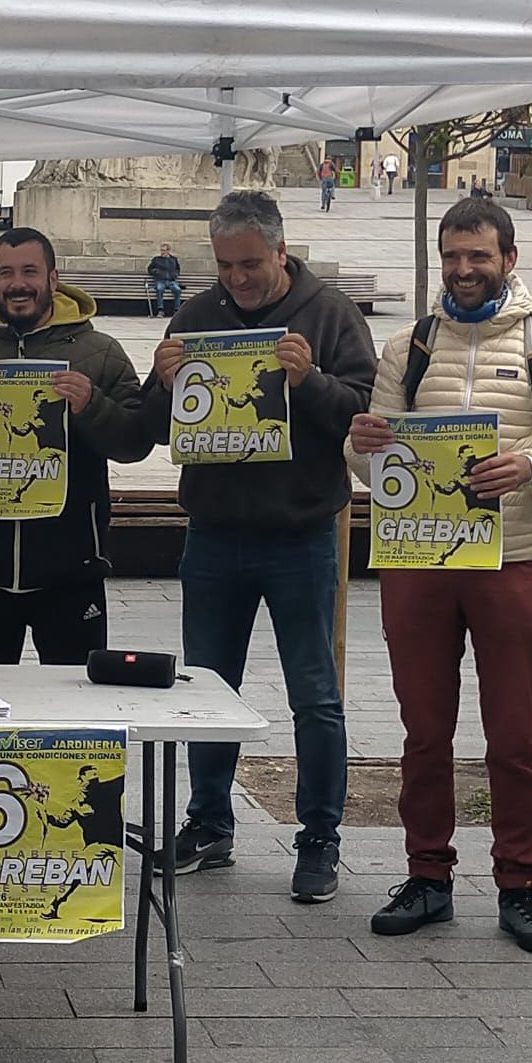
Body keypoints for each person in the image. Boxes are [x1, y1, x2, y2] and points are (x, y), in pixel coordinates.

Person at [346, 195, 532, 954]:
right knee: (424, 733)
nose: (463, 269)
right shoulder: (409, 347)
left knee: (514, 738)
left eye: (478, 255)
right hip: (421, 558)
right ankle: (428, 876)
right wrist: (361, 443)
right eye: (452, 255)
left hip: (512, 561)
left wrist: (529, 467)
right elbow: (368, 463)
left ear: (508, 260)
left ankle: (520, 884)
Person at [143, 191, 377, 900]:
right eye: (224, 267)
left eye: (250, 264)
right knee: (207, 692)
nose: (238, 279)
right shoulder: (195, 314)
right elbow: (157, 430)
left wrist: (311, 381)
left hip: (301, 532)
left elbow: (366, 416)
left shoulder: (330, 313)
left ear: (282, 250)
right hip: (213, 533)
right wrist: (162, 384)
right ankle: (210, 824)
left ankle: (319, 839)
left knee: (315, 694)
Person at [0, 227, 153, 665]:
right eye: (6, 273)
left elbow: (135, 441)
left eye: (30, 271)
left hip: (72, 571)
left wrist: (92, 405)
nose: (18, 284)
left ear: (54, 279)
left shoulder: (101, 353)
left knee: (77, 712)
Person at [146, 244, 183, 317]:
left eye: (164, 250)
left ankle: (177, 310)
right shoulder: (156, 259)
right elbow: (149, 269)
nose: (162, 252)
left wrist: (175, 274)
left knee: (177, 290)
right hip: (160, 280)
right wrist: (155, 271)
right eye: (161, 250)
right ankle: (161, 310)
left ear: (168, 251)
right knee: (159, 289)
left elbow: (178, 269)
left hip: (171, 281)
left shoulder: (173, 259)